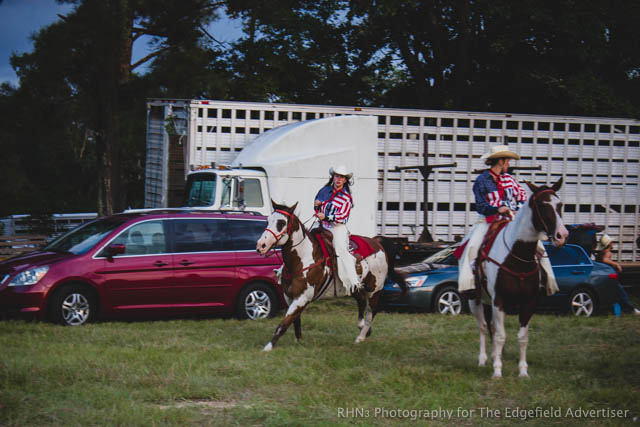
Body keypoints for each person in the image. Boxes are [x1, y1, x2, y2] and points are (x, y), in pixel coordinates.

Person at [457, 144, 559, 296]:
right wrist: (497, 209)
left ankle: (546, 281)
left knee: (539, 247)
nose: (508, 164)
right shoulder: (481, 180)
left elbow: (522, 197)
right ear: (500, 161)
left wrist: (517, 208)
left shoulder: (510, 179)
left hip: (512, 220)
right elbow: (480, 205)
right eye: (507, 161)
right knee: (471, 246)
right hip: (488, 220)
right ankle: (470, 284)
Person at [314, 165, 361, 294]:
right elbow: (317, 204)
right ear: (333, 177)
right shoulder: (324, 190)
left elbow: (343, 217)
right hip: (322, 224)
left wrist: (327, 216)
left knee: (340, 249)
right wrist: (316, 206)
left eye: (341, 177)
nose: (338, 179)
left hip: (337, 227)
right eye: (337, 176)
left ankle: (352, 282)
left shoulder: (346, 198)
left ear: (345, 180)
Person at [596, 234, 640, 316]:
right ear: (609, 244)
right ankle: (631, 310)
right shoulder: (607, 253)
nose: (613, 244)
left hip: (603, 278)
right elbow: (604, 260)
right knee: (622, 294)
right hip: (610, 279)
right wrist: (616, 264)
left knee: (612, 296)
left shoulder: (601, 252)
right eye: (612, 242)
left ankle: (615, 312)